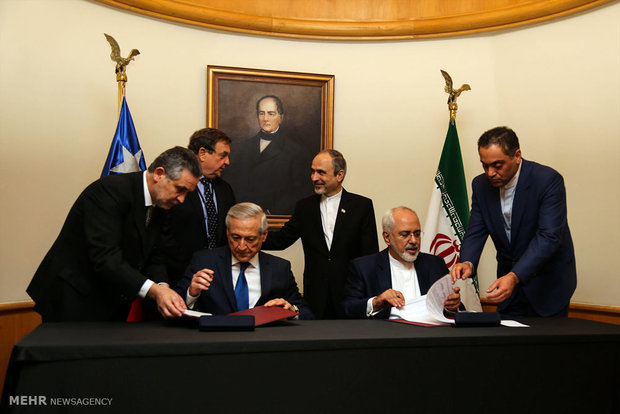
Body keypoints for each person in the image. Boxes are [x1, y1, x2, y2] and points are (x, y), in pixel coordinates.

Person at [27, 146, 202, 322]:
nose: (182, 199)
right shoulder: (109, 191)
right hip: (73, 298)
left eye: (187, 193)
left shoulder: (161, 204)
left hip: (111, 301)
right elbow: (105, 257)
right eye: (180, 189)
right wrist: (155, 291)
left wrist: (163, 286)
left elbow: (153, 253)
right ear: (159, 174)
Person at [450, 126, 576, 317]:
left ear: (517, 156)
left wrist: (514, 276)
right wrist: (468, 261)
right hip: (506, 289)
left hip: (547, 285)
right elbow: (476, 229)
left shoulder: (547, 180)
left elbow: (549, 236)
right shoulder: (480, 185)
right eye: (485, 165)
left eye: (497, 165)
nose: (490, 172)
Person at [263, 149, 379, 319]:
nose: (314, 177)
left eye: (321, 172)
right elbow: (281, 240)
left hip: (351, 295)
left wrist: (370, 295)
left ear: (339, 175)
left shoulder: (362, 206)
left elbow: (370, 255)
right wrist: (253, 237)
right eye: (313, 171)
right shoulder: (305, 207)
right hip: (315, 296)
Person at [176, 202, 312, 319]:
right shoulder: (204, 261)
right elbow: (175, 307)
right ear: (227, 232)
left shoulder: (280, 268)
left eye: (250, 239)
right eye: (235, 237)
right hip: (216, 341)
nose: (241, 246)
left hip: (263, 343)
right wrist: (191, 294)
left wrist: (292, 310)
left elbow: (306, 313)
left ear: (264, 235)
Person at [343, 207, 461, 319]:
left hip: (429, 335)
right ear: (387, 238)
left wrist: (452, 306)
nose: (414, 240)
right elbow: (348, 308)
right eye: (404, 235)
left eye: (417, 234)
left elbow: (454, 308)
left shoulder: (435, 264)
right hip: (387, 335)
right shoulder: (364, 267)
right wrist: (376, 302)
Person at [164, 128, 236, 286]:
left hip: (217, 279)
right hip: (178, 278)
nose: (227, 162)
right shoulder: (175, 185)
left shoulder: (225, 189)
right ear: (202, 153)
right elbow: (163, 234)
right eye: (223, 155)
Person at [221, 95, 313, 214]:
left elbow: (300, 192)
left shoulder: (295, 151)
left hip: (276, 219)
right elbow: (233, 184)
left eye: (271, 113)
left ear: (281, 117)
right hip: (244, 216)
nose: (265, 118)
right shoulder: (242, 147)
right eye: (261, 113)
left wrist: (272, 212)